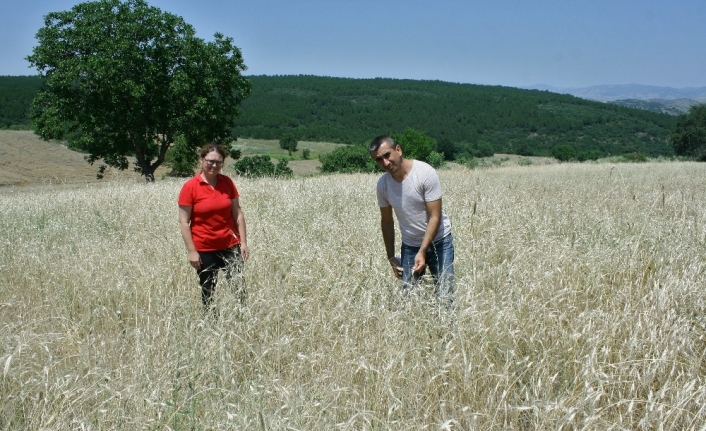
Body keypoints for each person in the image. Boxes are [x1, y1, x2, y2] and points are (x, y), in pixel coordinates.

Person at [369, 135, 455, 306]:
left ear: (398, 150)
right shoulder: (383, 185)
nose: (385, 163)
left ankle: (447, 332)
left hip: (440, 242)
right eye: (379, 160)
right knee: (408, 300)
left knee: (445, 297)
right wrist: (391, 257)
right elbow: (386, 222)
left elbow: (435, 216)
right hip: (410, 245)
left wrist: (422, 251)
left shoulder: (425, 173)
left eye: (387, 155)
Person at [178, 143, 249, 308]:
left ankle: (244, 320)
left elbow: (237, 213)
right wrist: (192, 252)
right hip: (204, 248)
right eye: (210, 161)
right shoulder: (190, 187)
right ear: (201, 160)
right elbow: (183, 221)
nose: (214, 165)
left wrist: (243, 242)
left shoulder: (227, 183)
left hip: (230, 245)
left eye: (218, 162)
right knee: (208, 290)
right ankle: (209, 323)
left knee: (239, 288)